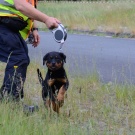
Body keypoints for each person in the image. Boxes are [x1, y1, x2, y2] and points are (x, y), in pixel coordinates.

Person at [0, 0, 60, 101]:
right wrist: (46, 19)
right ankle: (11, 101)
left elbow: (29, 8)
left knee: (22, 58)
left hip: (7, 26)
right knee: (18, 58)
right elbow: (21, 6)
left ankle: (10, 98)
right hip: (3, 25)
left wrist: (34, 29)